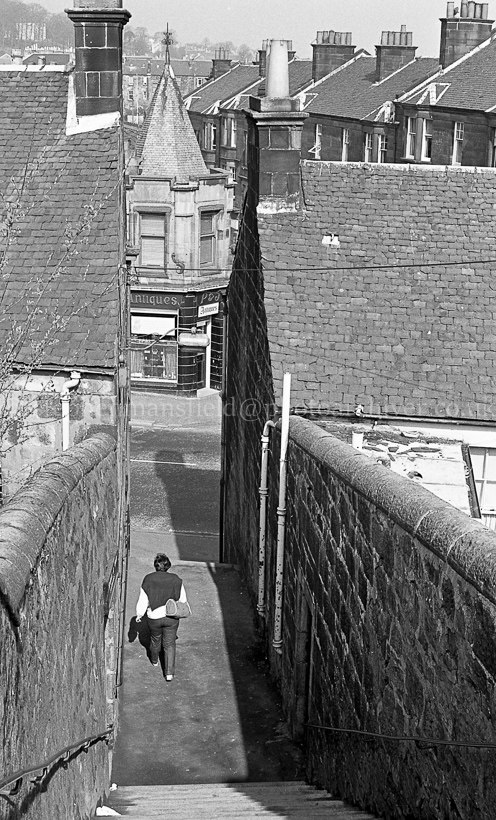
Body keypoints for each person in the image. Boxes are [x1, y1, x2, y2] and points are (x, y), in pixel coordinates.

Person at [135, 553, 187, 681]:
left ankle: (154, 660)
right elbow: (182, 599)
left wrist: (139, 614)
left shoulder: (148, 579)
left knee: (155, 639)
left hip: (154, 617)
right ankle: (169, 673)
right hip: (171, 616)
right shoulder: (176, 579)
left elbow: (143, 599)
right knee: (169, 644)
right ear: (168, 565)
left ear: (156, 566)